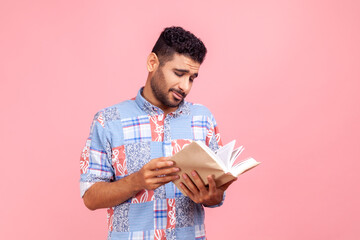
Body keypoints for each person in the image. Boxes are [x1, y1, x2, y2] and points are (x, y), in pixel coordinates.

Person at [80, 26, 236, 240]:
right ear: (152, 63)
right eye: (179, 74)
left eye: (192, 78)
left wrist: (212, 196)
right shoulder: (108, 121)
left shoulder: (203, 119)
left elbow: (217, 197)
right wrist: (136, 181)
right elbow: (90, 197)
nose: (185, 86)